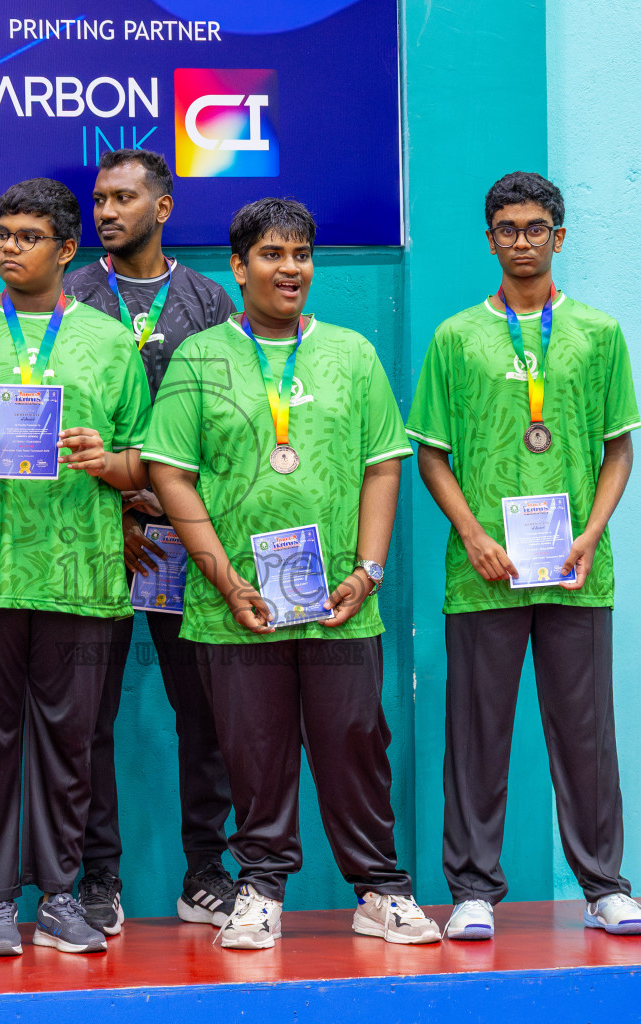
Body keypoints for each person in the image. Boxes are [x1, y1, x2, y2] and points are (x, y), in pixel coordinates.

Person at [143, 198, 439, 950]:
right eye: (273, 255)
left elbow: (383, 467)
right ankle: (261, 891)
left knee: (353, 739)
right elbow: (171, 475)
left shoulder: (351, 352)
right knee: (253, 748)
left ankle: (381, 890)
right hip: (233, 605)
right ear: (239, 268)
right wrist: (223, 580)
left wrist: (369, 570)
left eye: (301, 254)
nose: (292, 269)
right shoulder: (201, 356)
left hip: (340, 602)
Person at [407, 171, 641, 941]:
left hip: (579, 571)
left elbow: (619, 451)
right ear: (490, 239)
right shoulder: (456, 337)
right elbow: (432, 457)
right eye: (507, 229)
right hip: (484, 575)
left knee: (586, 733)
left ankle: (604, 887)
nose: (521, 241)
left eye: (535, 228)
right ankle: (474, 890)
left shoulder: (599, 335)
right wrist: (475, 537)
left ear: (560, 236)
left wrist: (591, 533)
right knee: (477, 734)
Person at [0, 178, 150, 957]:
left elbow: (145, 462)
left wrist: (107, 461)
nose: (9, 248)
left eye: (26, 236)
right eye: (2, 234)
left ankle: (58, 895)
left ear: (67, 249)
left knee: (70, 743)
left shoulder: (112, 342)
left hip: (79, 576)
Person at [62, 148, 238, 934]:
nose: (106, 210)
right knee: (87, 716)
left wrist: (157, 504)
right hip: (98, 533)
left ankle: (206, 871)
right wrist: (121, 507)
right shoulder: (68, 294)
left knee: (203, 713)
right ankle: (98, 877)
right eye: (99, 199)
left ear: (162, 208)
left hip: (180, 538)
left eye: (124, 197)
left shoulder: (209, 299)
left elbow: (221, 426)